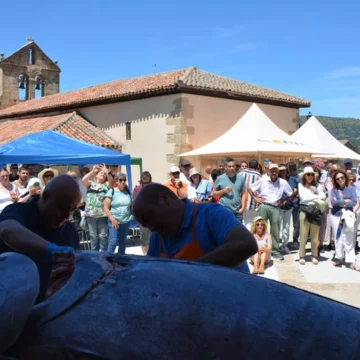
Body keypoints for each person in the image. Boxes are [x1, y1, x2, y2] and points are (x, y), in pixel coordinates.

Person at [133, 183, 257, 272]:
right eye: (145, 225)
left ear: (165, 199)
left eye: (149, 217)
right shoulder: (157, 238)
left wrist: (190, 271)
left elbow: (246, 244)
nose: (151, 227)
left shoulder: (210, 214)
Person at [0, 175, 81, 302]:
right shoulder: (19, 212)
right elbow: (7, 229)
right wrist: (52, 250)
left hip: (48, 309)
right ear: (46, 196)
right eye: (61, 206)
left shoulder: (70, 232)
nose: (66, 215)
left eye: (72, 209)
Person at [248, 164, 295, 260]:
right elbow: (249, 188)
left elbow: (291, 193)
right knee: (260, 228)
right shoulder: (262, 180)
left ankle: (275, 251)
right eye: (272, 171)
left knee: (276, 230)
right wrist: (255, 198)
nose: (274, 173)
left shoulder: (283, 182)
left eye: (276, 171)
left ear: (278, 172)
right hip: (264, 206)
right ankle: (259, 249)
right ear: (268, 171)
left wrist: (284, 201)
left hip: (275, 207)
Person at [330, 170, 359, 271]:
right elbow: (333, 202)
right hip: (336, 215)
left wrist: (341, 203)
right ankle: (339, 258)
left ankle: (352, 261)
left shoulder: (351, 189)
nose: (340, 180)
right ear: (335, 180)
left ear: (345, 178)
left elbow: (354, 201)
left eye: (342, 177)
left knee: (349, 237)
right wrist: (345, 201)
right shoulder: (334, 190)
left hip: (348, 215)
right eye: (338, 179)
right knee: (338, 237)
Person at [298, 167, 326, 265]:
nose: (310, 176)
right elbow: (304, 198)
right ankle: (302, 256)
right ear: (304, 176)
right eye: (308, 174)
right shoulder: (300, 185)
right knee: (303, 235)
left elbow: (323, 197)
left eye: (311, 174)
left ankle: (314, 256)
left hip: (316, 211)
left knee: (315, 237)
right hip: (305, 211)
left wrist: (316, 193)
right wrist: (316, 196)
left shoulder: (318, 185)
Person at [82, 164, 113, 252]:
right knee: (93, 237)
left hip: (103, 215)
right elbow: (84, 179)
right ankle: (94, 255)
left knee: (103, 236)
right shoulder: (90, 184)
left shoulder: (106, 185)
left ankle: (103, 256)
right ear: (96, 175)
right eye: (101, 173)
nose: (103, 175)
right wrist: (93, 171)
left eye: (104, 174)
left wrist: (107, 172)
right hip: (91, 215)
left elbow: (111, 182)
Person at [104, 172, 132, 255]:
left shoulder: (128, 192)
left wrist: (132, 214)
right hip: (114, 221)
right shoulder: (111, 192)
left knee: (123, 242)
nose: (123, 182)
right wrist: (112, 219)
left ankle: (121, 260)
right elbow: (105, 207)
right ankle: (108, 260)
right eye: (121, 180)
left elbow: (131, 205)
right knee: (113, 241)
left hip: (126, 221)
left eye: (124, 180)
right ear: (116, 181)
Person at [213, 157, 246, 223]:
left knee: (237, 232)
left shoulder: (240, 178)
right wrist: (223, 191)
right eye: (229, 166)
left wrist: (243, 208)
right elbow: (214, 193)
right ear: (225, 168)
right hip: (224, 210)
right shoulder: (220, 178)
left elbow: (244, 194)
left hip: (237, 212)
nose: (231, 168)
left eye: (233, 166)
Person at [133, 171, 153, 255]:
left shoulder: (155, 187)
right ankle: (146, 256)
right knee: (145, 239)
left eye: (147, 183)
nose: (145, 185)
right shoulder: (137, 189)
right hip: (143, 219)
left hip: (154, 217)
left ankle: (154, 255)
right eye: (143, 183)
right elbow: (134, 204)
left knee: (154, 238)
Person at [239, 159, 262, 227]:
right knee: (250, 223)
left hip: (241, 202)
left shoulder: (241, 173)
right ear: (257, 166)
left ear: (248, 165)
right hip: (252, 204)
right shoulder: (259, 176)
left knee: (242, 221)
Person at [287, 162, 301, 250]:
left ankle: (295, 241)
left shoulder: (299, 178)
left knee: (296, 224)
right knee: (286, 224)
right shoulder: (286, 177)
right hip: (287, 203)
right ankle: (286, 241)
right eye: (290, 168)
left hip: (296, 203)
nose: (292, 169)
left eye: (293, 168)